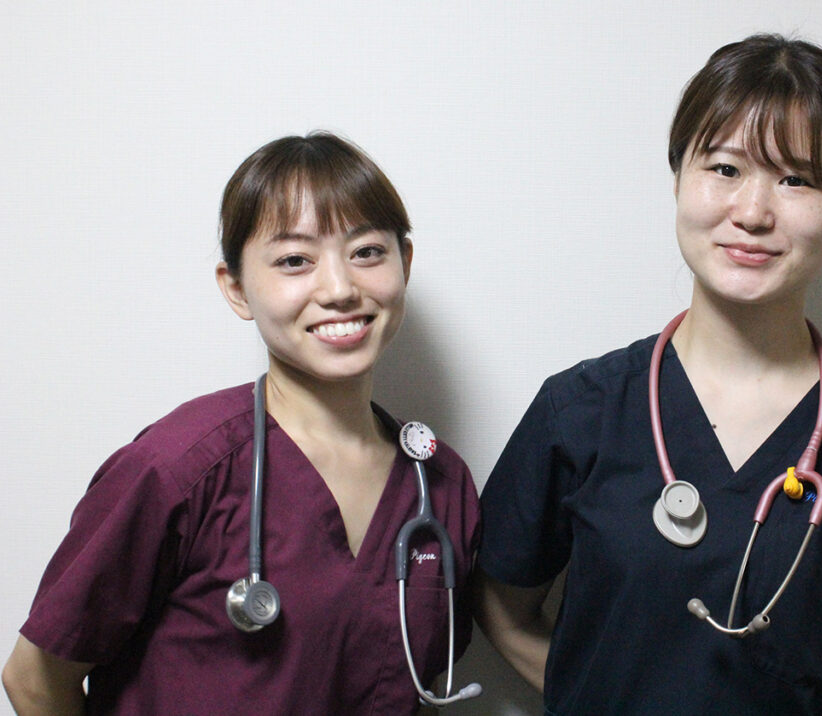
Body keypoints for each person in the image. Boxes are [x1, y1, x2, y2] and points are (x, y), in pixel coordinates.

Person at [473, 34, 822, 715]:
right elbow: (499, 605)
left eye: (796, 180)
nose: (754, 212)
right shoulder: (579, 412)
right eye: (726, 168)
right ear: (678, 179)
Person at [2, 132, 480, 714]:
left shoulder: (441, 486)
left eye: (367, 252)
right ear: (237, 289)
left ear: (405, 263)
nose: (340, 289)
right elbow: (35, 679)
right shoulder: (177, 468)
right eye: (295, 260)